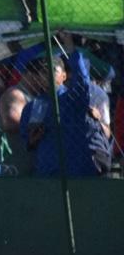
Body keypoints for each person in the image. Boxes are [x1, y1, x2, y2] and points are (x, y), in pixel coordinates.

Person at [20, 34, 112, 176]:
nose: (48, 75)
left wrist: (70, 47)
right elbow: (26, 142)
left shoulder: (75, 98)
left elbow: (82, 82)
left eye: (53, 70)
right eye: (44, 72)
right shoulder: (33, 107)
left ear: (64, 76)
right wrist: (33, 139)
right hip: (48, 170)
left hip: (79, 168)